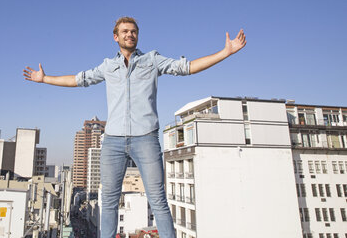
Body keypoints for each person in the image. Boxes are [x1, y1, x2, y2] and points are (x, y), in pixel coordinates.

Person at [23, 17, 246, 238]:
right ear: (116, 36)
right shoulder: (107, 67)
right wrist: (44, 79)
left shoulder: (152, 60)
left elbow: (186, 67)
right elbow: (78, 80)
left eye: (134, 31)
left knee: (157, 199)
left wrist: (225, 52)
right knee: (108, 201)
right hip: (113, 141)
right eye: (125, 31)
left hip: (145, 138)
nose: (130, 34)